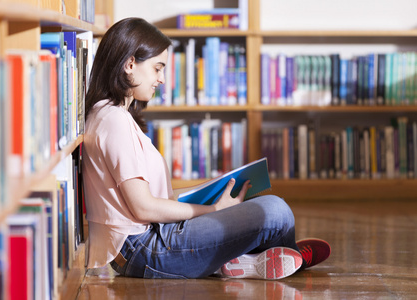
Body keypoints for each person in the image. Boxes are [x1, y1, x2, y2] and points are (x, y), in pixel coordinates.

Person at [82, 17, 331, 280]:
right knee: (275, 212)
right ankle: (276, 257)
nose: (162, 79)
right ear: (130, 64)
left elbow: (152, 200)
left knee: (259, 206)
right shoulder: (113, 120)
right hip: (146, 250)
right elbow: (144, 208)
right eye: (157, 68)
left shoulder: (114, 116)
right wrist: (212, 211)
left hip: (147, 242)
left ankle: (250, 259)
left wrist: (207, 193)